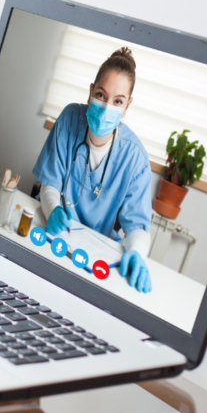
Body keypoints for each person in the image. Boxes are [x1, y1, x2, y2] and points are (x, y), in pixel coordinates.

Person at [32, 47, 153, 293]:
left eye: (118, 101)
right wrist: (53, 209)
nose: (107, 106)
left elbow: (137, 227)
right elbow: (50, 184)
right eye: (101, 94)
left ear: (127, 106)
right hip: (52, 235)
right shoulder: (69, 119)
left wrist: (138, 253)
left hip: (93, 256)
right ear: (90, 93)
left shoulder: (135, 159)